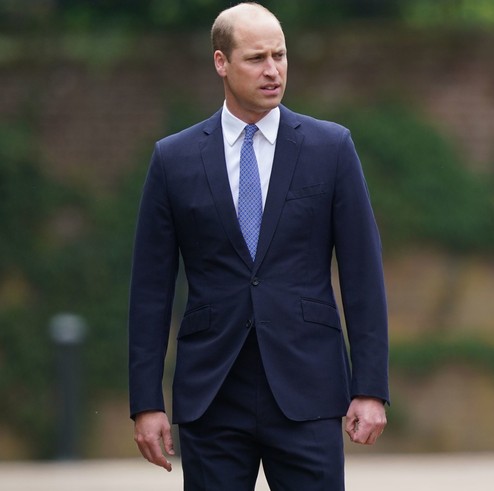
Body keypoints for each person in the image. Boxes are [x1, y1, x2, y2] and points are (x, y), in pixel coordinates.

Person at [128, 3, 389, 490]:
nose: (273, 70)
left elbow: (363, 276)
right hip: (212, 391)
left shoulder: (331, 148)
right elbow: (149, 291)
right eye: (256, 58)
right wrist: (146, 402)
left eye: (281, 55)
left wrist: (370, 389)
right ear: (221, 63)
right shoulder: (174, 159)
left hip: (308, 388)